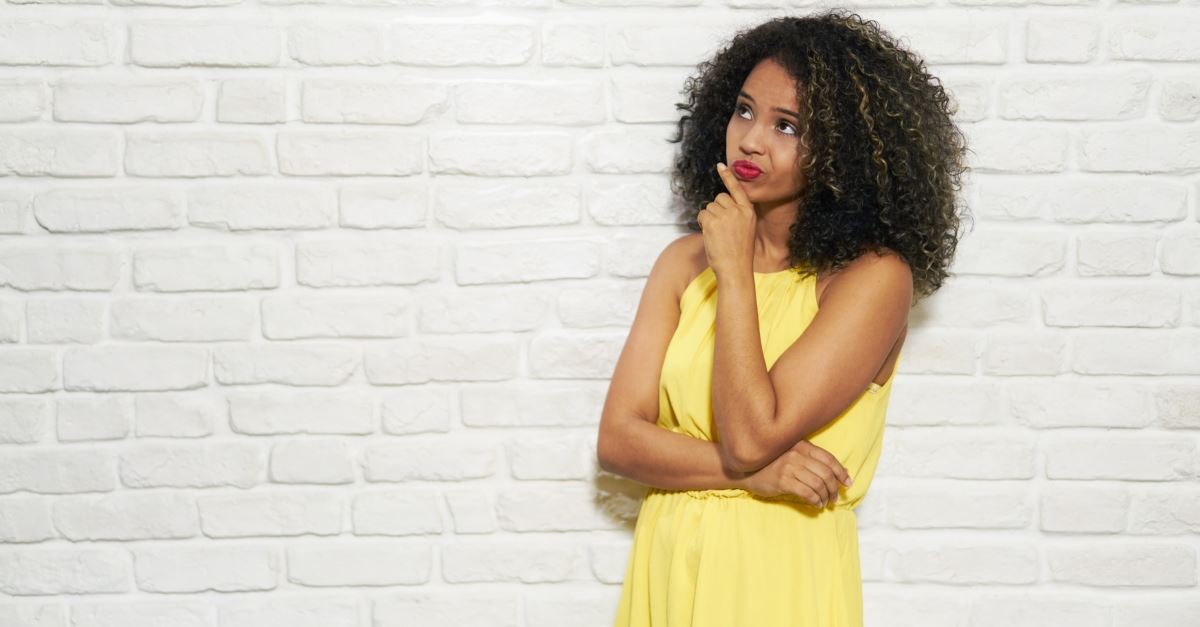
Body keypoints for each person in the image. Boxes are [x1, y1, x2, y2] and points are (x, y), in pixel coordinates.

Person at [596, 9, 970, 627]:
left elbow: (751, 432)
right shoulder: (683, 265)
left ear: (844, 152)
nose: (751, 139)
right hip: (668, 564)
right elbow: (618, 441)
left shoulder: (872, 279)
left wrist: (736, 274)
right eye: (744, 110)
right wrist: (753, 477)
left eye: (788, 126)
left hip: (779, 578)